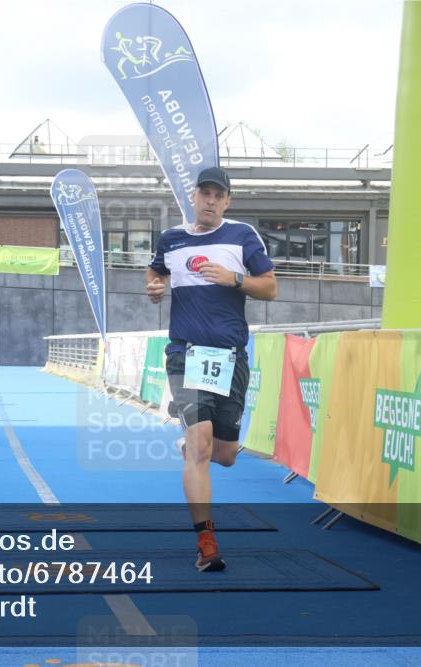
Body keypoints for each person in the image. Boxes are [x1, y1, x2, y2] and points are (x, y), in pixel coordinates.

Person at [146, 166, 277, 572]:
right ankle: (207, 543)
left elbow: (270, 286)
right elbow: (155, 271)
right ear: (193, 196)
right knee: (202, 446)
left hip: (229, 357)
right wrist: (153, 288)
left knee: (225, 454)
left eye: (218, 195)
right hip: (186, 354)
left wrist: (233, 278)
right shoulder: (171, 239)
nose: (210, 200)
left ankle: (191, 446)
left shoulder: (242, 236)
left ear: (227, 201)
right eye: (204, 193)